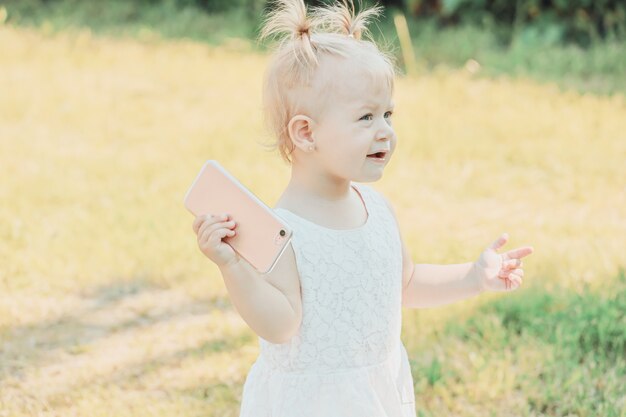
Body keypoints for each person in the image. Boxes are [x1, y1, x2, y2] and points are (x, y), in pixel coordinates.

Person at [190, 0, 535, 415]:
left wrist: (473, 277)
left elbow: (404, 285)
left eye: (388, 114)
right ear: (306, 133)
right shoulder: (285, 232)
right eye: (366, 118)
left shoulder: (377, 209)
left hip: (373, 396)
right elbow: (280, 326)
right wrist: (232, 266)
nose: (385, 131)